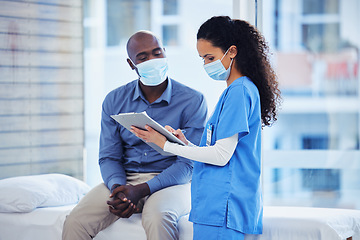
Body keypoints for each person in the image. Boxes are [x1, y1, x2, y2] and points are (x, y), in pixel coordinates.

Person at [131, 16, 281, 240]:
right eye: (202, 59)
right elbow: (222, 148)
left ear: (232, 51)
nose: (206, 65)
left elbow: (221, 156)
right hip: (218, 206)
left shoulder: (239, 92)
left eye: (210, 57)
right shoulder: (236, 91)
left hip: (222, 208)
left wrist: (165, 145)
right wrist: (186, 143)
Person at [62, 30, 208, 240]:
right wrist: (117, 189)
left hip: (173, 182)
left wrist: (141, 190)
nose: (153, 60)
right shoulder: (114, 100)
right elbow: (109, 156)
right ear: (132, 64)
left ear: (165, 53)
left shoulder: (193, 101)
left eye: (157, 53)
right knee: (76, 221)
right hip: (126, 179)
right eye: (143, 57)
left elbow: (188, 164)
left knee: (158, 217)